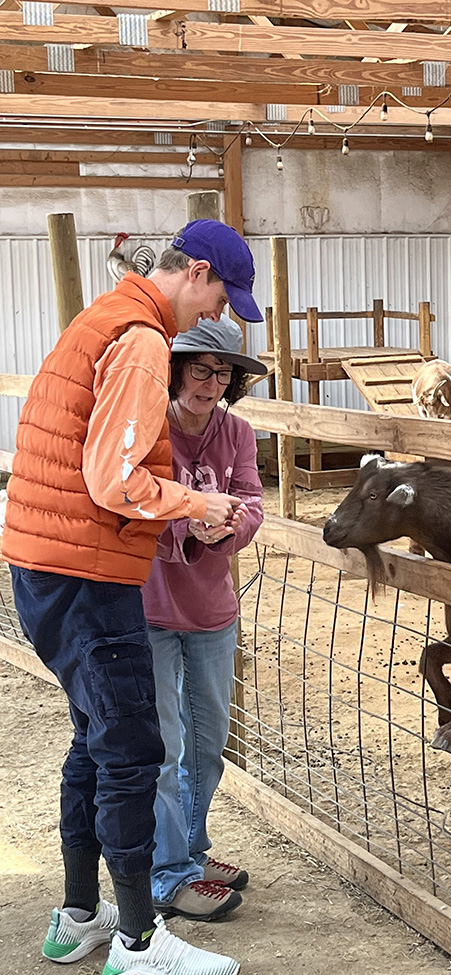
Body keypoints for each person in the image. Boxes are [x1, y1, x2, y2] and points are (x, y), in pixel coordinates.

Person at [2, 218, 264, 975]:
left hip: (46, 561)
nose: (214, 312)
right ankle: (141, 946)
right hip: (87, 571)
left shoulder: (103, 319)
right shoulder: (144, 341)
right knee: (130, 754)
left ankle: (82, 916)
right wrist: (195, 505)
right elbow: (113, 479)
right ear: (199, 272)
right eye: (220, 294)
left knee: (93, 744)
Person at [142, 315, 264, 920]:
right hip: (151, 605)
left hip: (213, 608)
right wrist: (184, 517)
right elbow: (128, 498)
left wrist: (227, 527)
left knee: (209, 742)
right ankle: (168, 874)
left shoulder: (237, 433)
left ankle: (189, 846)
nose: (211, 382)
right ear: (176, 368)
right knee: (163, 744)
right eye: (199, 368)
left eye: (223, 372)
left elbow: (253, 501)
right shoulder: (149, 426)